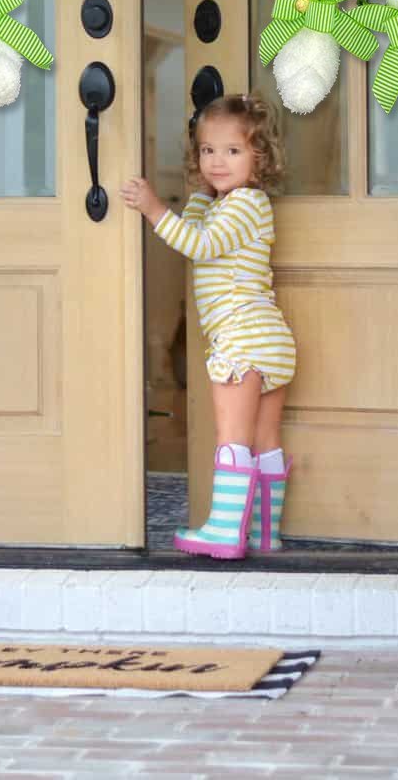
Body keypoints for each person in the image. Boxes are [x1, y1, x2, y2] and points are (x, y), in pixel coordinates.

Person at [120, 94, 296, 559]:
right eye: (207, 150)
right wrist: (201, 189)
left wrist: (154, 208)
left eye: (233, 152)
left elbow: (198, 244)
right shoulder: (227, 203)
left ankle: (224, 532)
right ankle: (263, 533)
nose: (217, 161)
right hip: (269, 340)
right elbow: (198, 219)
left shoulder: (245, 205)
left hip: (241, 341)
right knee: (265, 441)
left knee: (232, 438)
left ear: (260, 159)